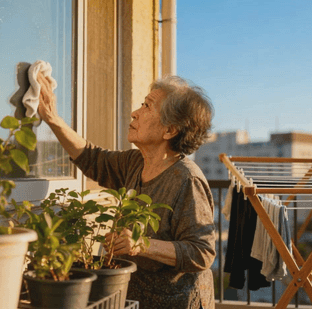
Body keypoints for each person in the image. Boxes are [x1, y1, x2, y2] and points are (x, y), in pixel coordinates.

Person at [36, 74, 216, 309]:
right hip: (136, 299)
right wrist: (52, 118)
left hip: (176, 302)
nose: (135, 112)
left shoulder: (187, 180)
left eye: (147, 106)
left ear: (170, 130)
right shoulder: (135, 162)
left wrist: (142, 244)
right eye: (142, 103)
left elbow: (202, 252)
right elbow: (92, 158)